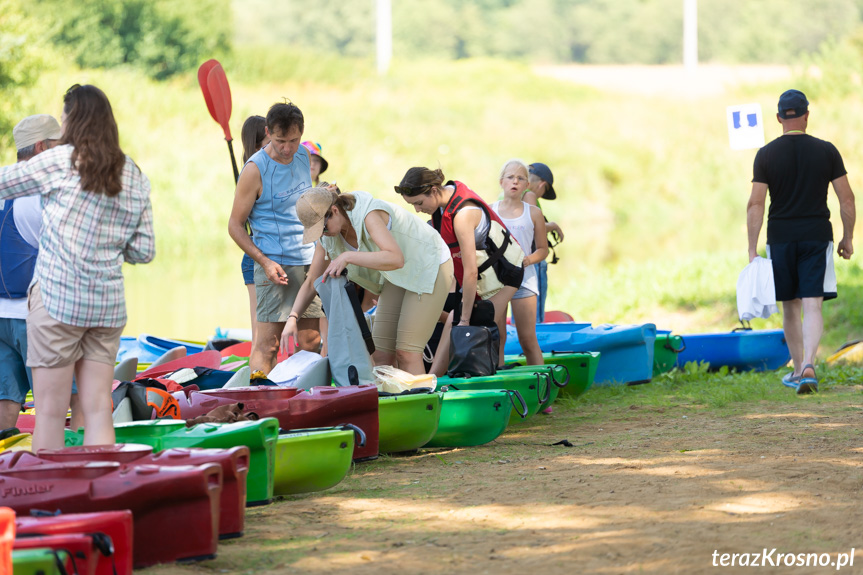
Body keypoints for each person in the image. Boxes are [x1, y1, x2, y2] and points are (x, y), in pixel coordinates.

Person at [0, 84, 155, 450]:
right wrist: (107, 245)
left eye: (65, 116)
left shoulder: (57, 161)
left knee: (51, 412)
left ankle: (50, 495)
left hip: (56, 302)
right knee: (98, 408)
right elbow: (144, 250)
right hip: (107, 305)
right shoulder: (132, 171)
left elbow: (5, 182)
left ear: (73, 119)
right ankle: (99, 489)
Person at [747, 89, 856, 394]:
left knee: (790, 308)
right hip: (816, 237)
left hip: (780, 238)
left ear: (780, 118)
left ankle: (797, 371)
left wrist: (751, 249)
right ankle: (809, 363)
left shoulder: (765, 154)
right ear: (806, 115)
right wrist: (848, 238)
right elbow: (846, 199)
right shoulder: (827, 151)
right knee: (813, 304)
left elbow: (755, 204)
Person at [285, 186, 453, 375]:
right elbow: (311, 282)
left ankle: (422, 403)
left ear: (334, 211)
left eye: (322, 228)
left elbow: (395, 258)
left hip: (429, 262)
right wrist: (293, 317)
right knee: (380, 356)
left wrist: (348, 256)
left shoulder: (369, 214)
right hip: (398, 273)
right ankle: (390, 402)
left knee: (407, 352)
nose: (322, 235)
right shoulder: (328, 236)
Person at [396, 167, 524, 371]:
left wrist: (464, 320)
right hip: (483, 275)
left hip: (505, 273)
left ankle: (484, 381)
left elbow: (471, 271)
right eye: (413, 205)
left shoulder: (463, 214)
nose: (418, 210)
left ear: (435, 190)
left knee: (474, 326)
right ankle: (433, 382)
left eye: (419, 203)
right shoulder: (440, 206)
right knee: (452, 323)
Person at [228, 102, 323, 375]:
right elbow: (234, 226)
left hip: (308, 261)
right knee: (268, 345)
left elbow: (305, 207)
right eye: (280, 141)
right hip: (275, 265)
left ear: (301, 134)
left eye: (293, 140)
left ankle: (304, 401)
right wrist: (265, 263)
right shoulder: (254, 169)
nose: (287, 148)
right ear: (268, 132)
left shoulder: (304, 156)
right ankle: (260, 398)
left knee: (310, 341)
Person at [0, 115, 61, 430]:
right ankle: (59, 468)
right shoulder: (41, 192)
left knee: (5, 400)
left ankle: (7, 470)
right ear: (42, 146)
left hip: (0, 318)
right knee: (59, 402)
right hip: (35, 316)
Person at [491, 160, 548, 366]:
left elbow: (543, 249)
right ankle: (497, 380)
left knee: (527, 338)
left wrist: (527, 260)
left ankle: (541, 385)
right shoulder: (489, 211)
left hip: (525, 280)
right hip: (495, 281)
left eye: (520, 178)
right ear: (501, 182)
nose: (515, 181)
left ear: (526, 185)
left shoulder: (533, 213)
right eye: (510, 177)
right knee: (497, 337)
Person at [239, 115, 270, 345]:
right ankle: (257, 379)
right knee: (260, 336)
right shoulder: (252, 173)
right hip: (256, 258)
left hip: (277, 256)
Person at [526, 162, 564, 323]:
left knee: (521, 308)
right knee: (535, 311)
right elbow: (535, 226)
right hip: (534, 258)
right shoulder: (530, 196)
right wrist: (554, 225)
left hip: (518, 259)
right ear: (542, 184)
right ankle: (537, 341)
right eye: (544, 191)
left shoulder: (508, 195)